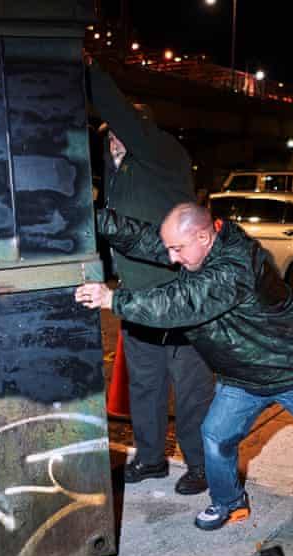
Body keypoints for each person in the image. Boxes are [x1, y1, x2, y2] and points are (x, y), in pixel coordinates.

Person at [74, 203, 293, 533]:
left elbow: (186, 302)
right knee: (215, 435)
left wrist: (113, 300)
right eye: (171, 248)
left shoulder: (235, 266)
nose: (171, 258)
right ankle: (229, 502)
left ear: (203, 236)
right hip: (242, 376)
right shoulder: (199, 248)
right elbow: (146, 239)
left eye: (177, 249)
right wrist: (88, 212)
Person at [86, 60, 215, 495]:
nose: (116, 140)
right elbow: (114, 227)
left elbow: (122, 117)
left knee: (192, 390)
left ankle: (201, 466)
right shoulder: (117, 171)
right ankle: (152, 459)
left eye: (124, 130)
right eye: (111, 136)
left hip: (180, 297)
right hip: (138, 298)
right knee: (144, 384)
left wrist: (89, 70)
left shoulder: (164, 154)